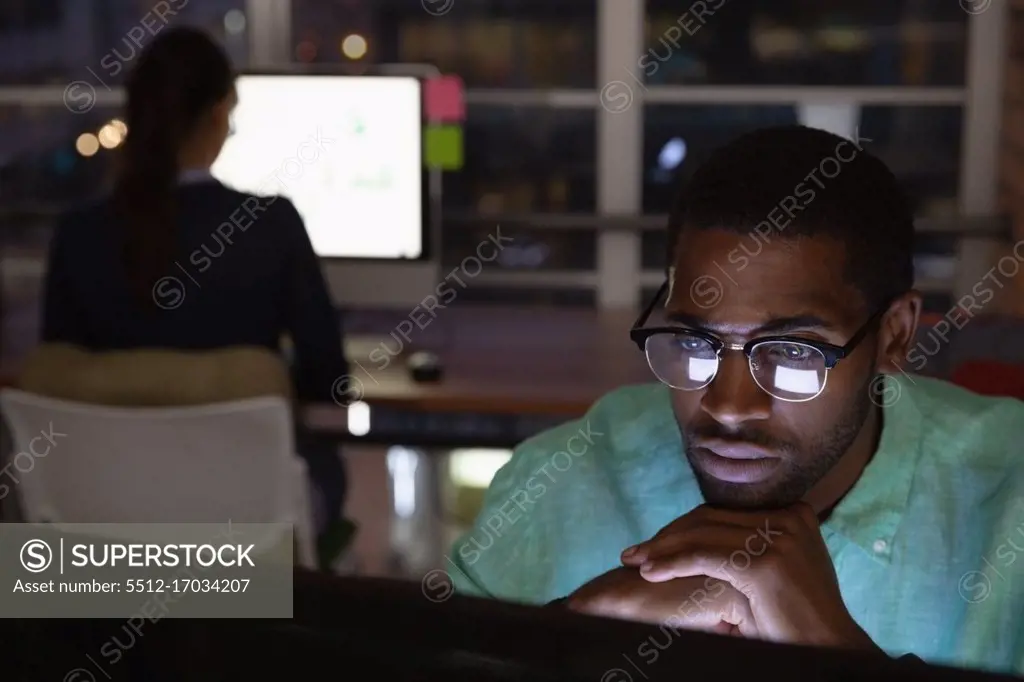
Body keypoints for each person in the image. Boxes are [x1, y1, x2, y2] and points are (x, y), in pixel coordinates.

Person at [449, 125, 1024, 673]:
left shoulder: (1010, 499)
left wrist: (837, 658)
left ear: (894, 336)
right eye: (697, 342)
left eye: (795, 352)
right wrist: (578, 626)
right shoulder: (568, 475)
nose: (727, 405)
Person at [41, 27, 351, 562]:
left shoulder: (78, 234)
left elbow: (61, 368)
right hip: (244, 537)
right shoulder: (269, 225)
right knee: (325, 469)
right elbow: (331, 379)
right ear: (219, 114)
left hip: (104, 539)